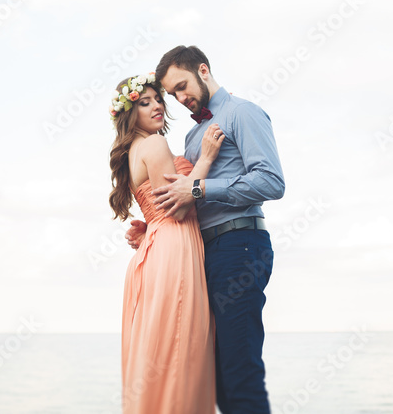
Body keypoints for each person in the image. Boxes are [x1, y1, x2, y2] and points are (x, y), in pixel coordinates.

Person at [128, 45, 286, 414]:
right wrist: (152, 228)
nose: (180, 99)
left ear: (203, 70)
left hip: (240, 246)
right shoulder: (191, 139)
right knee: (212, 373)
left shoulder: (241, 113)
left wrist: (199, 187)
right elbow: (184, 203)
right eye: (173, 94)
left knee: (239, 367)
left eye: (182, 86)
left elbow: (272, 182)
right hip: (204, 254)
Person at [109, 71, 227, 413]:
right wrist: (204, 158)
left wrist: (147, 227)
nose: (157, 106)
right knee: (180, 349)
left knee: (161, 351)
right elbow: (176, 207)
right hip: (174, 248)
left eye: (158, 99)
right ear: (131, 113)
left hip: (157, 248)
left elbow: (157, 203)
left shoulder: (135, 149)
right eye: (144, 103)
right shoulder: (155, 143)